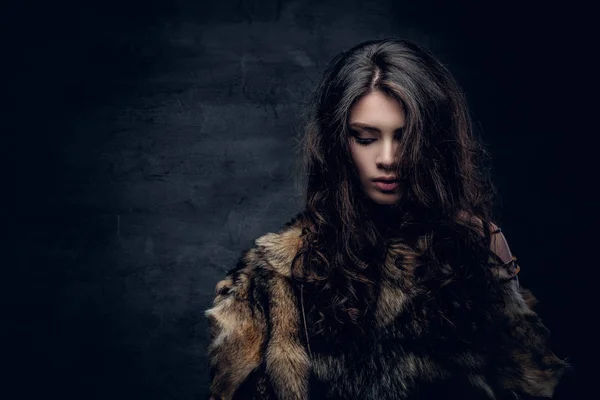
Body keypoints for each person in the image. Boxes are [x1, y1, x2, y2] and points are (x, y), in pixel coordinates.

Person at [204, 38, 570, 399]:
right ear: (338, 144)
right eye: (366, 138)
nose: (388, 158)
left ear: (432, 142)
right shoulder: (280, 271)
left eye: (405, 137)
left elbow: (527, 382)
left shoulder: (476, 248)